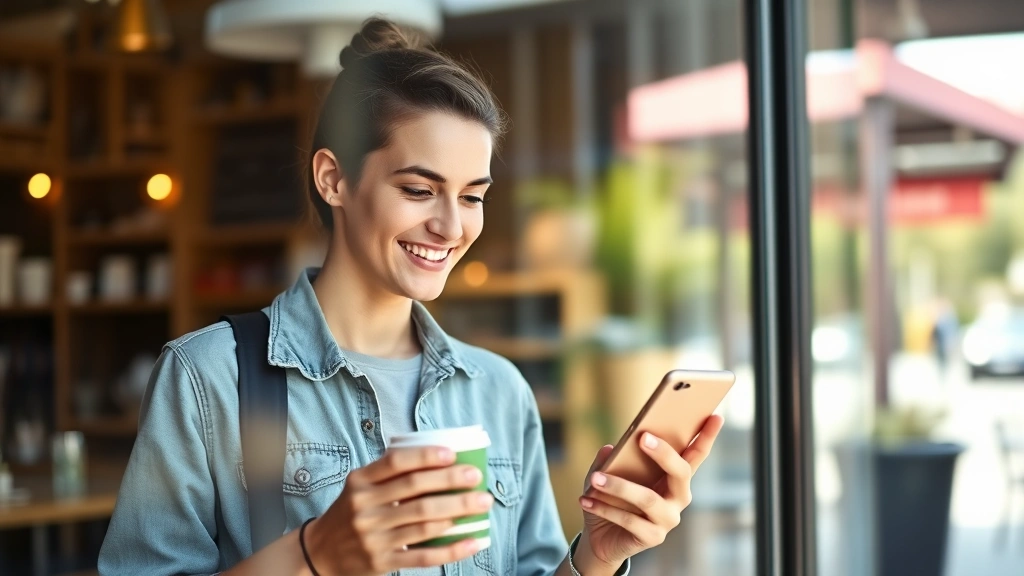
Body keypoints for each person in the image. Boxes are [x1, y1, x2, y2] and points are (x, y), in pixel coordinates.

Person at [98, 18, 724, 576]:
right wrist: (314, 556)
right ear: (334, 178)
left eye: (473, 195)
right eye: (420, 190)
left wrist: (596, 556)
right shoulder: (209, 377)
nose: (452, 227)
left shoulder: (498, 391)